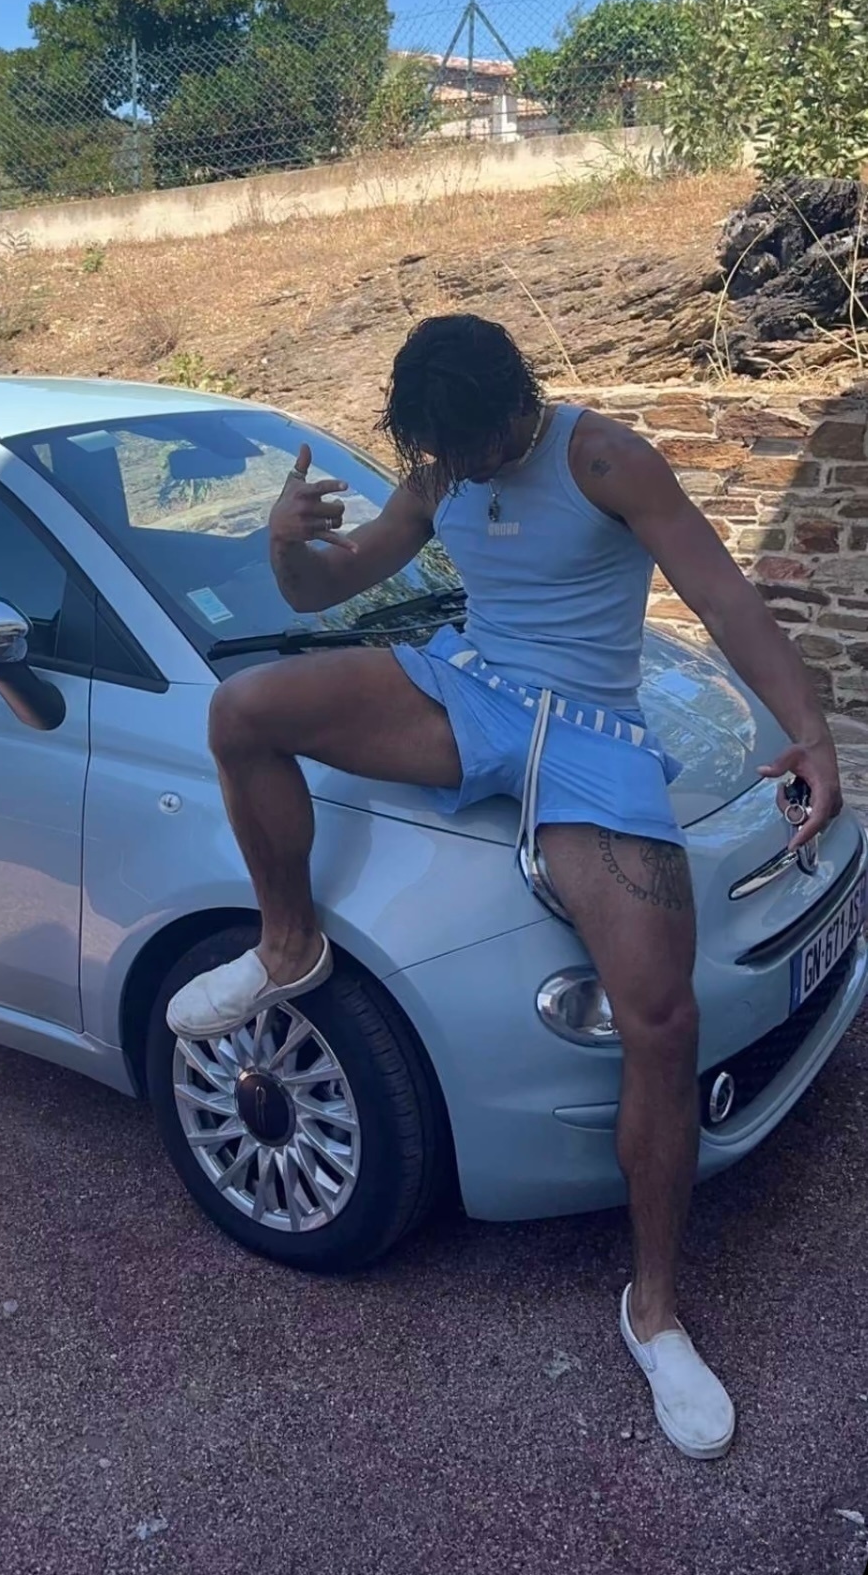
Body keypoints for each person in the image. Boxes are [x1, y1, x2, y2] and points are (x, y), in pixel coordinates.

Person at [166, 312, 842, 1460]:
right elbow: (330, 586)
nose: (457, 470)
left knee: (663, 1020)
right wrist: (285, 546)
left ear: (511, 404)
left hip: (590, 738)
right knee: (242, 714)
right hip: (466, 690)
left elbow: (725, 599)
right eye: (438, 452)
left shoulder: (604, 459)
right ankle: (289, 943)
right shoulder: (442, 470)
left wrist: (812, 732)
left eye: (468, 447)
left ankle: (655, 1311)